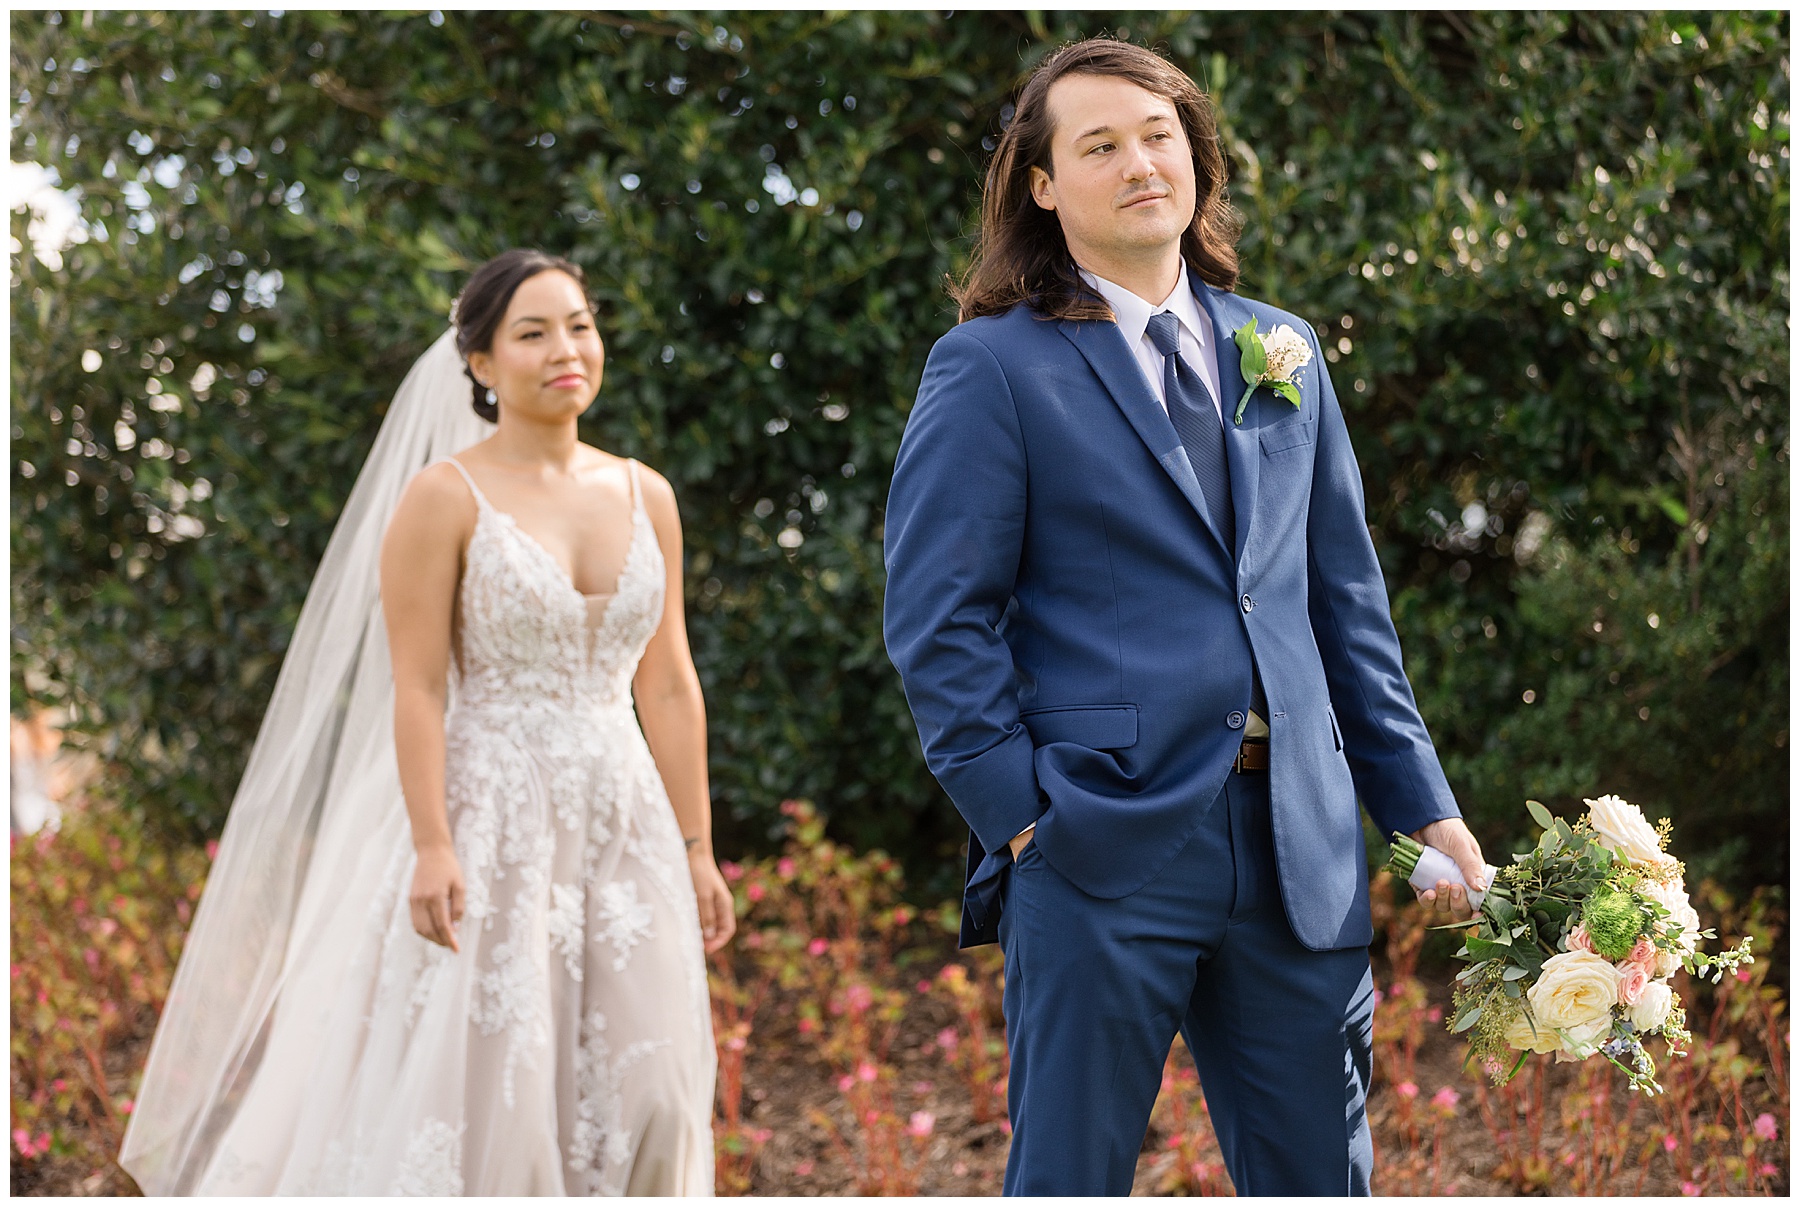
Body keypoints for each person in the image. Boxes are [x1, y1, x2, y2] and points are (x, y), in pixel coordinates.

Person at [882, 39, 1488, 1196]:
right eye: (1099, 145)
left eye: (1158, 135)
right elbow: (936, 621)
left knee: (1322, 1177)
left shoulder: (1285, 348)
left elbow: (1345, 604)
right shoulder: (990, 368)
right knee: (1069, 1177)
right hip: (1096, 844)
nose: (1139, 162)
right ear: (1044, 184)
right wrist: (1023, 823)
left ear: (1197, 157)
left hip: (1300, 851)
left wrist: (1426, 808)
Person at [119, 249, 731, 1195]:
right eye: (532, 332)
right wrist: (433, 842)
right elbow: (416, 688)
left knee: (650, 1086)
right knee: (501, 1095)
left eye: (579, 323)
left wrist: (696, 847)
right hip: (489, 818)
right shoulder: (444, 496)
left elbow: (671, 684)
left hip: (623, 820)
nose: (566, 348)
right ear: (481, 364)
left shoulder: (647, 493)